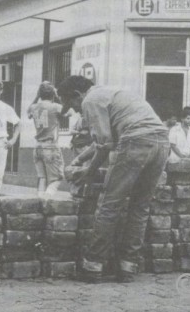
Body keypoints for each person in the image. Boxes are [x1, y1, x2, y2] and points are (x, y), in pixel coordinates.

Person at [59, 75, 169, 282]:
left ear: (77, 95)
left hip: (136, 141)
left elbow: (104, 145)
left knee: (109, 204)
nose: (76, 110)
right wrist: (79, 159)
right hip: (161, 142)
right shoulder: (112, 93)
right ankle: (128, 266)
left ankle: (93, 265)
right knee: (140, 207)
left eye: (72, 105)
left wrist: (88, 172)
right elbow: (105, 139)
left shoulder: (90, 100)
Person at [25, 82, 66, 191]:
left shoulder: (34, 107)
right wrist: (57, 97)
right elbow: (69, 111)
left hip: (37, 146)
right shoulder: (55, 107)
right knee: (57, 179)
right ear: (52, 94)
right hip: (50, 146)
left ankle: (41, 203)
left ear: (40, 94)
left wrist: (37, 97)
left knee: (42, 178)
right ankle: (47, 201)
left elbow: (27, 111)